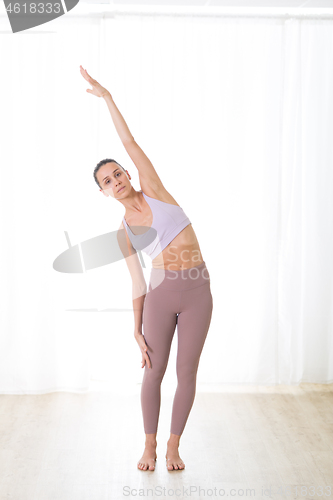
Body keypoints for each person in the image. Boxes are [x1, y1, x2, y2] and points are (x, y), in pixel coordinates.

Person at [80, 65, 213, 472]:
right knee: (153, 374)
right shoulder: (123, 232)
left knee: (186, 373)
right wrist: (135, 328)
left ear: (126, 173)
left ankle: (174, 447)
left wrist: (107, 98)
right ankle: (150, 446)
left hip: (198, 294)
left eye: (117, 172)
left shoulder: (154, 189)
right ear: (103, 192)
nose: (116, 180)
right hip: (159, 297)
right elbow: (137, 281)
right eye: (107, 181)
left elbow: (129, 140)